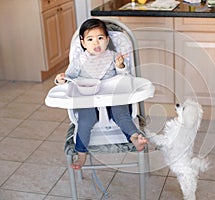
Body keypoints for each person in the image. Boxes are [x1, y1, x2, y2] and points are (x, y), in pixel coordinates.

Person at [55, 18, 147, 170]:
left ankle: (135, 138)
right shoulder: (79, 60)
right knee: (85, 120)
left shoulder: (113, 56)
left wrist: (120, 66)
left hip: (112, 94)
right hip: (88, 96)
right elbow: (69, 77)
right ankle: (81, 153)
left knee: (121, 114)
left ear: (107, 39)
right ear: (83, 43)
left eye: (100, 38)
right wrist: (61, 80)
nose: (96, 43)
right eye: (90, 39)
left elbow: (124, 78)